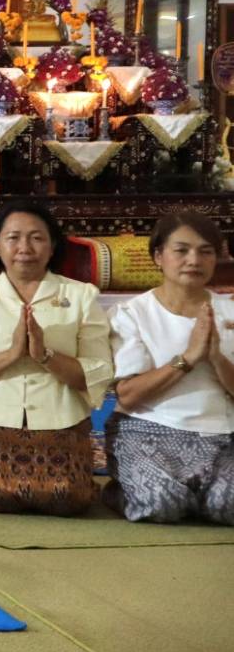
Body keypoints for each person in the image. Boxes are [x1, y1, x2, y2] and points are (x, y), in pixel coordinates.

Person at [0, 202, 114, 516]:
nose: (24, 247)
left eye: (36, 238)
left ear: (52, 247)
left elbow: (98, 370)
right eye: (13, 238)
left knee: (69, 499)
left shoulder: (81, 295)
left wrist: (44, 356)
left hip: (60, 416)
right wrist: (12, 355)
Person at [105, 213, 234, 524]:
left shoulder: (229, 311)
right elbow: (128, 395)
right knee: (161, 504)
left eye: (206, 251)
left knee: (229, 506)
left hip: (223, 434)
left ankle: (203, 497)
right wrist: (187, 359)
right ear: (158, 256)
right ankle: (120, 489)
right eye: (182, 250)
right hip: (148, 430)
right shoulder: (130, 313)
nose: (194, 260)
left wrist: (215, 356)